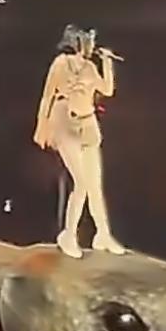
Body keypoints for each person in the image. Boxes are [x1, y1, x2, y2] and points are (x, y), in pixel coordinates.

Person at [33, 24, 124, 258]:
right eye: (88, 40)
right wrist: (42, 127)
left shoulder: (91, 67)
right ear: (78, 42)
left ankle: (103, 233)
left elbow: (107, 90)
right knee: (81, 182)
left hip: (88, 123)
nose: (92, 45)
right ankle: (68, 235)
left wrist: (107, 63)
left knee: (94, 184)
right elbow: (47, 96)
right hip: (65, 122)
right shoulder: (61, 63)